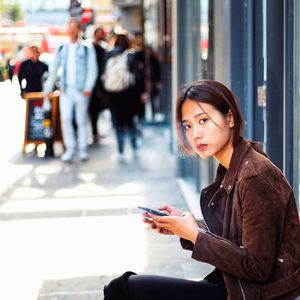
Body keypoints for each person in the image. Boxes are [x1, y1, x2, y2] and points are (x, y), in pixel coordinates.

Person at [103, 79, 300, 299]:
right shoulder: (233, 167)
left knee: (122, 290)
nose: (195, 133)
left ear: (230, 118)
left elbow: (257, 267)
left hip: (254, 293)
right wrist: (184, 226)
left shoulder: (254, 176)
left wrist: (195, 235)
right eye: (188, 125)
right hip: (232, 284)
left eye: (203, 120)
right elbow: (238, 237)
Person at [43, 18, 97, 162]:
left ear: (79, 29)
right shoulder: (62, 48)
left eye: (75, 27)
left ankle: (82, 149)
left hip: (81, 90)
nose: (72, 30)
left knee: (81, 120)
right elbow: (54, 70)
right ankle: (70, 148)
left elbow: (92, 69)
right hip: (66, 90)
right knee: (66, 118)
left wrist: (88, 87)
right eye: (70, 27)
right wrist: (48, 89)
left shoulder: (86, 47)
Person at [102, 31, 138, 162]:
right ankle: (134, 145)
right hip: (127, 93)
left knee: (117, 122)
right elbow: (136, 77)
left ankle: (121, 151)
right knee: (130, 121)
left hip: (112, 94)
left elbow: (103, 74)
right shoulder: (130, 55)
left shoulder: (108, 54)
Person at [89, 27, 107, 144]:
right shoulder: (91, 48)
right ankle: (94, 132)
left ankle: (95, 132)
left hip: (99, 84)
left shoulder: (102, 48)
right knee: (92, 109)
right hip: (92, 84)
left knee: (96, 109)